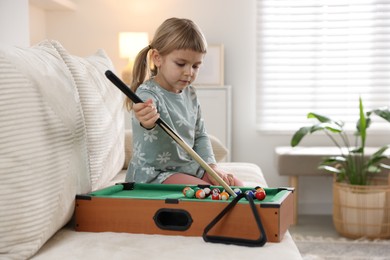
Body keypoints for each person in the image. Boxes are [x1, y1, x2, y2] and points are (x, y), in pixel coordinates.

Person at [125, 17, 243, 187]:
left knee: (238, 186)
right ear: (157, 58)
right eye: (181, 64)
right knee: (206, 192)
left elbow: (200, 135)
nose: (189, 72)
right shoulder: (147, 93)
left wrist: (211, 167)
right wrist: (146, 120)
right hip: (155, 174)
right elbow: (145, 119)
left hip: (187, 168)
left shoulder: (190, 93)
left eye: (196, 66)